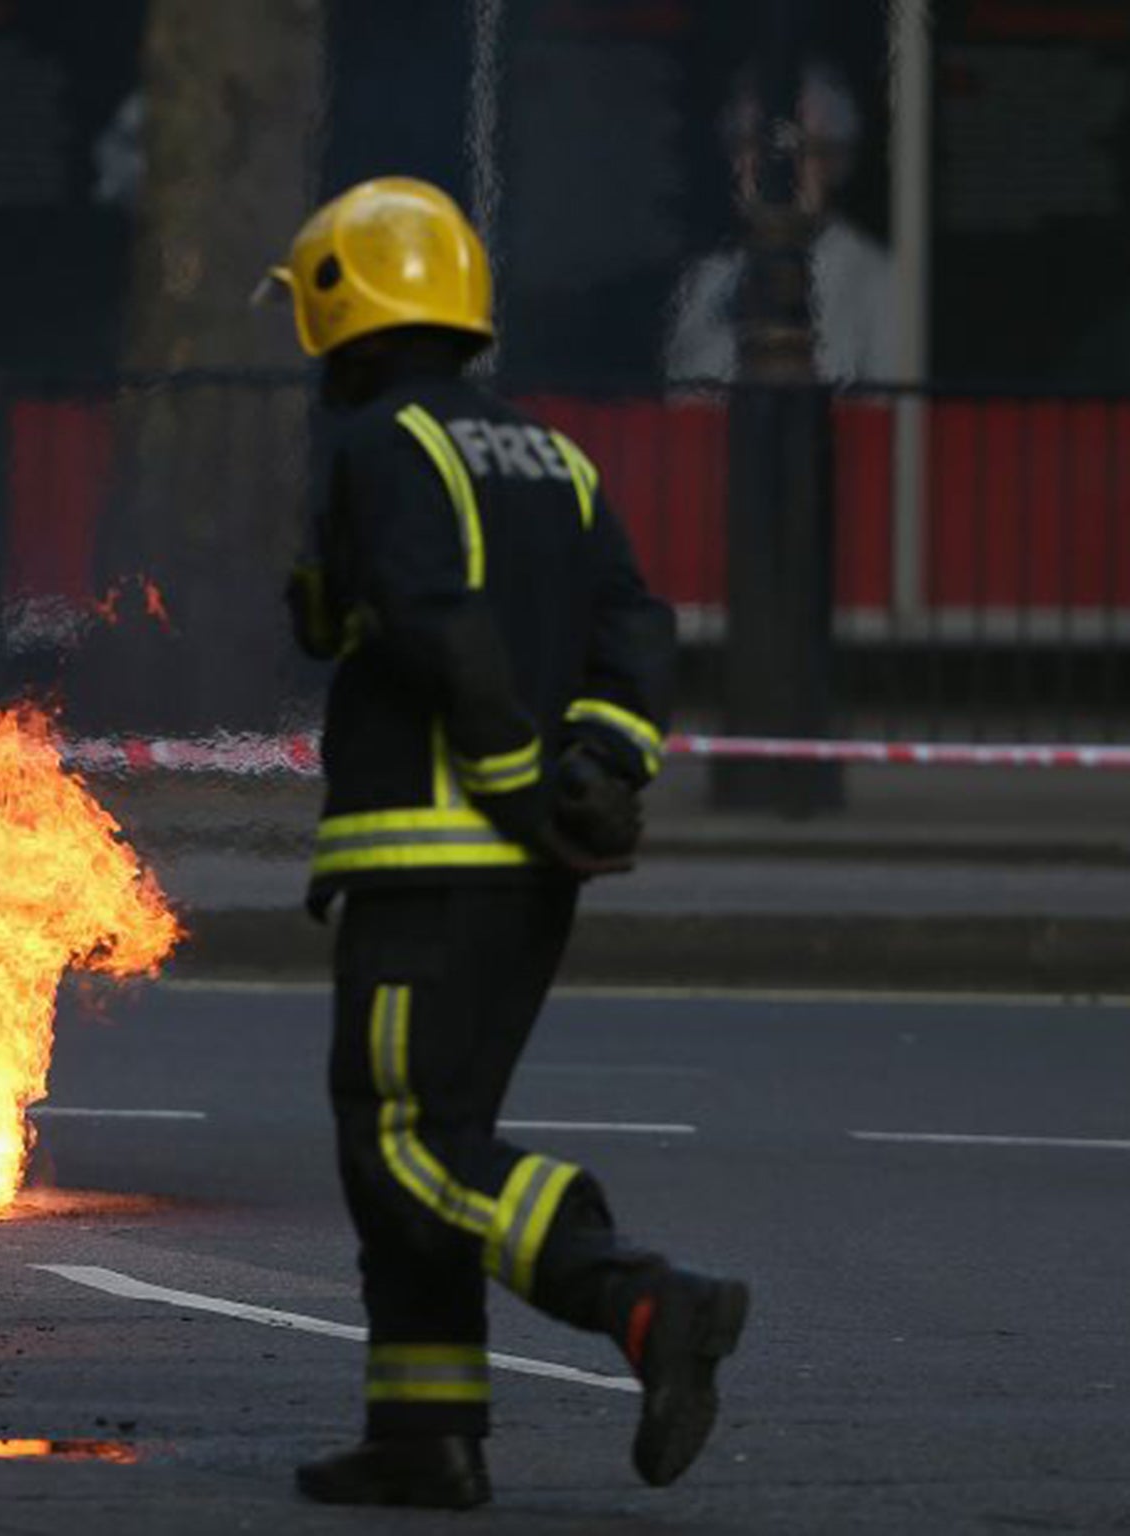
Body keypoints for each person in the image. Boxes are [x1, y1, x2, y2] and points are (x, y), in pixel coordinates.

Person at [267, 177, 749, 1511]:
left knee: (402, 1144)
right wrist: (600, 768)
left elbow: (432, 622)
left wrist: (517, 775)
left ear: (338, 305)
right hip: (531, 877)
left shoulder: (381, 446)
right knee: (440, 1131)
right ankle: (425, 1436)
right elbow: (633, 629)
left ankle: (647, 1303)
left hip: (432, 857)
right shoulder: (556, 456)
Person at [665, 60, 898, 385]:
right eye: (749, 146)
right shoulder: (711, 278)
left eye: (800, 151)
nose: (772, 171)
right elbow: (681, 396)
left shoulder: (879, 281)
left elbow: (890, 418)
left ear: (835, 162)